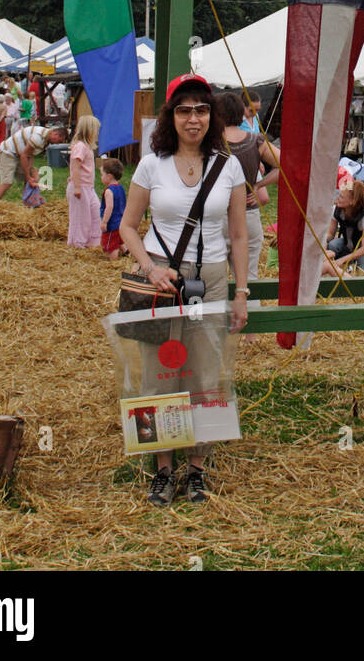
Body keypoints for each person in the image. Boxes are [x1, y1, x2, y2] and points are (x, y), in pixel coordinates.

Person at [121, 72, 249, 506]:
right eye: (183, 110)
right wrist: (149, 268)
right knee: (159, 375)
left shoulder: (227, 165)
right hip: (162, 280)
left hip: (210, 279)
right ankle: (161, 468)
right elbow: (127, 226)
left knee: (205, 374)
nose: (193, 119)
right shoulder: (152, 163)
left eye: (200, 109)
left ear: (211, 115)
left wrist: (241, 292)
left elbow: (239, 235)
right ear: (170, 116)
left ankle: (197, 468)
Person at [213, 91, 279, 287]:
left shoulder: (209, 144)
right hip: (248, 215)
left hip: (217, 217)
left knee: (213, 282)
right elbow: (286, 165)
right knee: (249, 282)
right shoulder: (256, 140)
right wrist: (259, 185)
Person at [0, 121, 67, 201]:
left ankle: (28, 203)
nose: (58, 144)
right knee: (7, 182)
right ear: (55, 134)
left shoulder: (45, 139)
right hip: (7, 152)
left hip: (18, 154)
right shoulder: (39, 137)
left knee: (30, 178)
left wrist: (29, 174)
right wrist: (28, 176)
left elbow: (30, 156)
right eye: (59, 141)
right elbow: (24, 156)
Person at [67, 114, 102, 249]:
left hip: (88, 187)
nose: (97, 133)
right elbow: (75, 166)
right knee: (81, 217)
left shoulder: (87, 147)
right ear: (89, 130)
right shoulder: (80, 146)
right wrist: (76, 186)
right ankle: (78, 243)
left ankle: (93, 242)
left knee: (95, 213)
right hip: (81, 187)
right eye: (96, 130)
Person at [99, 156, 128, 260]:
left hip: (112, 223)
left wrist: (105, 222)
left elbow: (109, 207)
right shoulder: (120, 188)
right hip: (121, 221)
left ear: (109, 176)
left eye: (102, 175)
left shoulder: (109, 191)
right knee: (119, 239)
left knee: (111, 243)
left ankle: (113, 258)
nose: (101, 177)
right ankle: (126, 251)